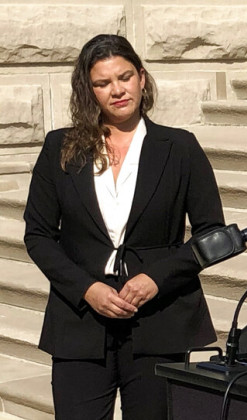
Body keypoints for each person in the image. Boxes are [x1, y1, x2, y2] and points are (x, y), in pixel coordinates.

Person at [24, 34, 225, 419]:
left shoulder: (179, 147)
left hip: (158, 320)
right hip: (80, 322)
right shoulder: (60, 148)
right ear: (89, 90)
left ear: (142, 79)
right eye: (103, 83)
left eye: (125, 77)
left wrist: (157, 278)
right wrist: (87, 288)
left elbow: (212, 235)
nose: (117, 90)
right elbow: (38, 234)